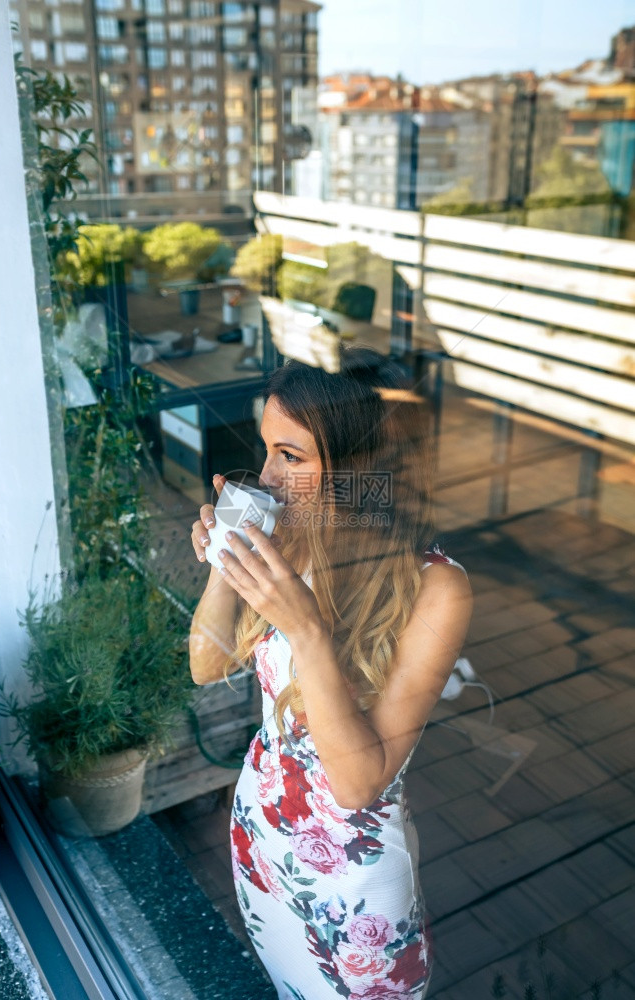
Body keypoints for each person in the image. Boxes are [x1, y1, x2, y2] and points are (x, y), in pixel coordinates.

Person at [189, 349, 472, 1000]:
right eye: (265, 452)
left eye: (291, 457)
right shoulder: (287, 538)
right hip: (262, 829)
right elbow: (207, 666)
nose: (263, 478)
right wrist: (222, 566)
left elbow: (356, 784)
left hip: (354, 887)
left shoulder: (438, 588)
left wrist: (308, 627)